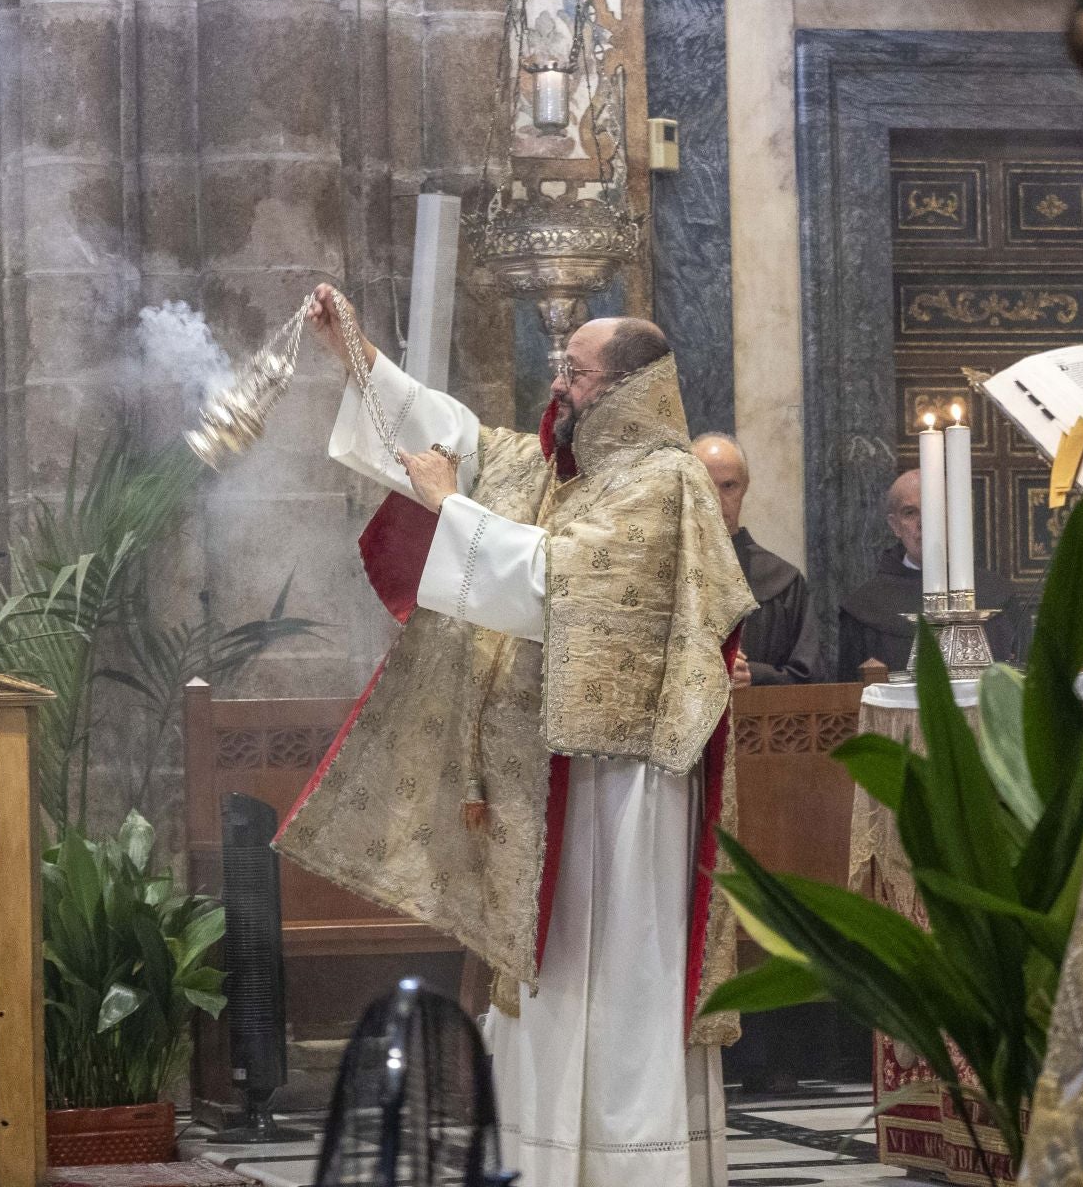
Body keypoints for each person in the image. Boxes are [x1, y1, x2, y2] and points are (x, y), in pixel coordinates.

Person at [275, 285, 755, 1187]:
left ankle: (626, 1168)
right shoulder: (557, 470)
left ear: (626, 389)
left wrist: (453, 509)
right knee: (548, 981)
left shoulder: (663, 480)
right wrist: (360, 359)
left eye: (574, 371)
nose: (557, 384)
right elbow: (457, 435)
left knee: (611, 981)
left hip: (625, 789)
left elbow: (558, 584)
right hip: (551, 786)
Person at [836, 469, 1030, 678]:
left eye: (935, 509)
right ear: (895, 526)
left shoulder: (998, 596)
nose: (924, 523)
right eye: (910, 513)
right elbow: (849, 695)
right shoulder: (864, 607)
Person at [691, 433, 820, 685]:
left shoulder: (783, 580)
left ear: (745, 486)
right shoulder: (659, 574)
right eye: (704, 484)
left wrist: (754, 675)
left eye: (728, 486)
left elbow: (810, 675)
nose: (716, 499)